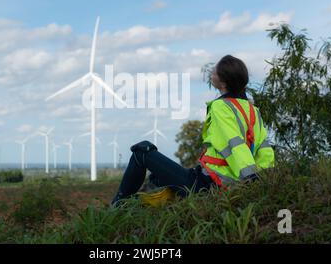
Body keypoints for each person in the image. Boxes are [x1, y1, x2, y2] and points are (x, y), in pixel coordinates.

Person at [111, 55, 275, 206]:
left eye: (215, 71)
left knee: (142, 151)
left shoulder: (221, 107)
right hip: (212, 178)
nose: (212, 72)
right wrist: (262, 180)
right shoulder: (253, 110)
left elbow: (235, 144)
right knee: (156, 178)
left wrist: (250, 179)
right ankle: (135, 206)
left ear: (223, 83)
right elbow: (264, 149)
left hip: (209, 184)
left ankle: (116, 207)